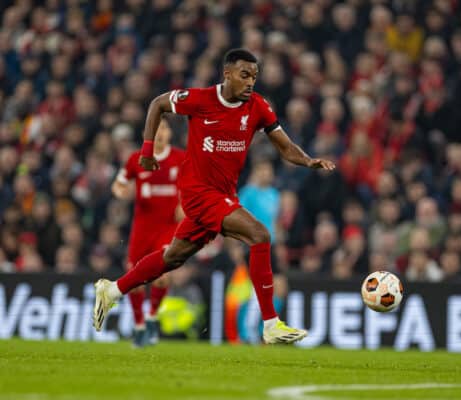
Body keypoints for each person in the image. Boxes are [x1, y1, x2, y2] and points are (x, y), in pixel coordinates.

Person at [93, 48, 335, 344]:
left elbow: (285, 147)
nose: (250, 82)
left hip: (222, 194)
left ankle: (112, 290)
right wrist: (146, 152)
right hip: (197, 192)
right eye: (244, 75)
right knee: (260, 234)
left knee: (173, 257)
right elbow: (157, 104)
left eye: (254, 77)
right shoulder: (200, 99)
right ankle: (271, 323)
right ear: (227, 74)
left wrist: (309, 161)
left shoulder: (258, 107)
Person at [111, 118, 185, 347]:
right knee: (135, 279)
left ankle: (152, 316)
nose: (160, 132)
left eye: (164, 127)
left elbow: (194, 185)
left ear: (170, 133)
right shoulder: (136, 159)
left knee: (163, 276)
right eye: (155, 128)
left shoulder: (180, 159)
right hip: (142, 229)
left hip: (168, 228)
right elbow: (118, 184)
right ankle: (140, 326)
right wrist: (121, 193)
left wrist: (185, 204)